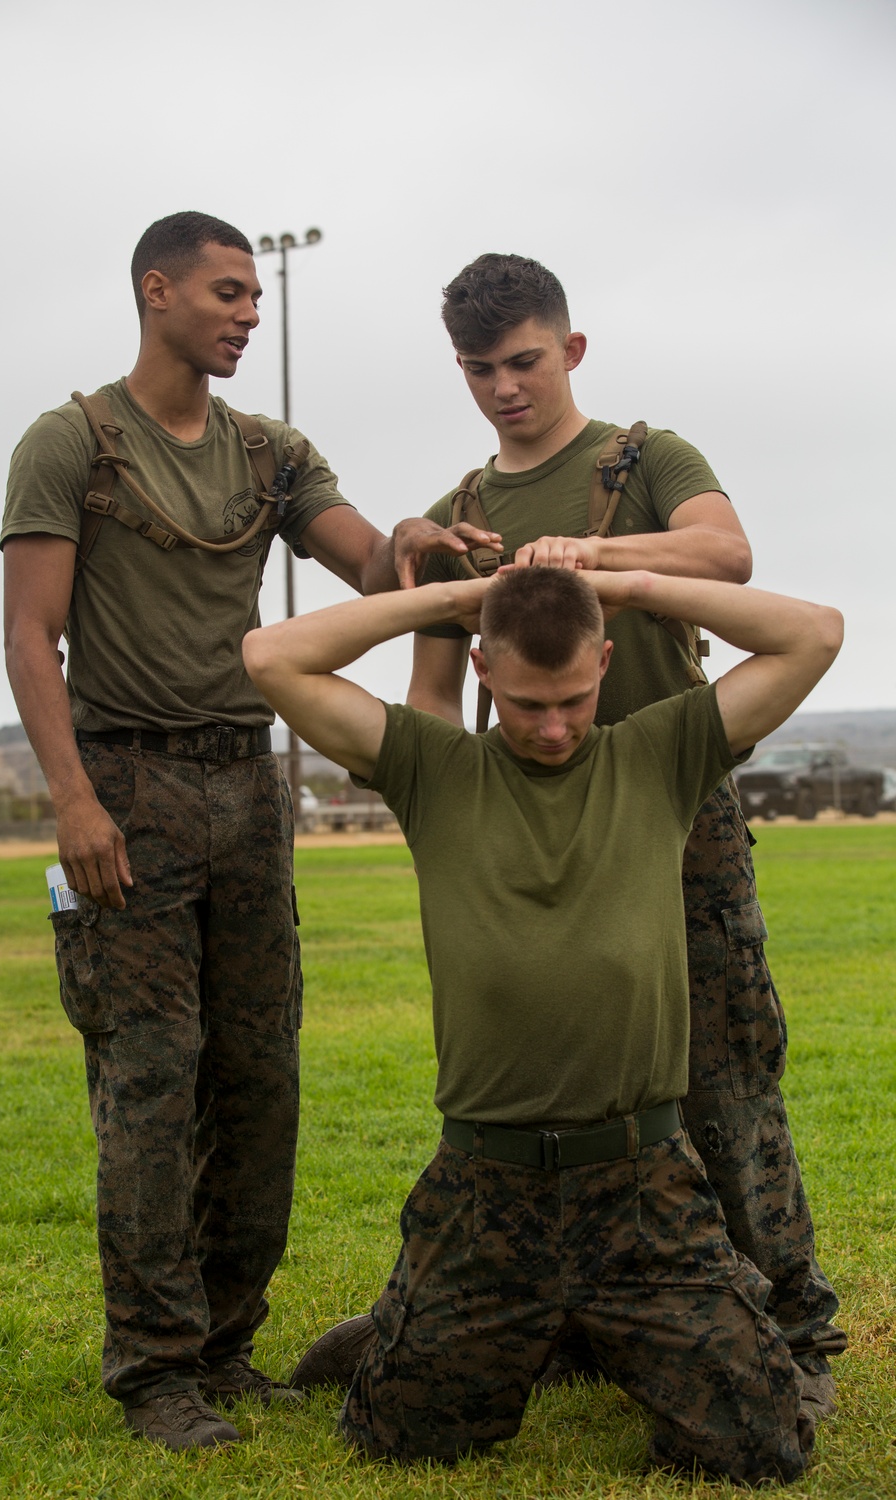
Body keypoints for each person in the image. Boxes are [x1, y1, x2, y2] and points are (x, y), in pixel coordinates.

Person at [0, 211, 492, 1451]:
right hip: (128, 786)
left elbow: (372, 566)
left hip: (247, 787)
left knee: (260, 1078)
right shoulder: (72, 442)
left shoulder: (269, 451)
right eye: (226, 294)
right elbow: (29, 635)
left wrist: (416, 545)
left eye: (256, 300)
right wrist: (72, 801)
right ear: (155, 292)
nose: (245, 314)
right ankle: (154, 1370)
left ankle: (227, 1346)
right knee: (151, 1086)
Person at [242, 562, 842, 1482]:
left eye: (572, 698)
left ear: (604, 661)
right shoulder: (430, 768)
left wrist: (635, 582)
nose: (554, 727)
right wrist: (453, 598)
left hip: (644, 1187)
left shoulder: (661, 752)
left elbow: (815, 633)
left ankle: (592, 1327)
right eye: (527, 703)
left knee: (760, 1448)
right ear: (481, 667)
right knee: (399, 1441)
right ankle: (424, 1327)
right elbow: (271, 655)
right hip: (487, 1188)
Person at [404, 254, 846, 1409]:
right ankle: (587, 1312)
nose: (505, 389)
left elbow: (726, 555)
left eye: (524, 362)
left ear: (571, 352)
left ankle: (792, 1322)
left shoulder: (645, 460)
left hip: (672, 800)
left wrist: (595, 557)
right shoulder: (469, 507)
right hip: (529, 817)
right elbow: (438, 678)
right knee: (561, 1087)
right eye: (479, 370)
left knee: (727, 1070)